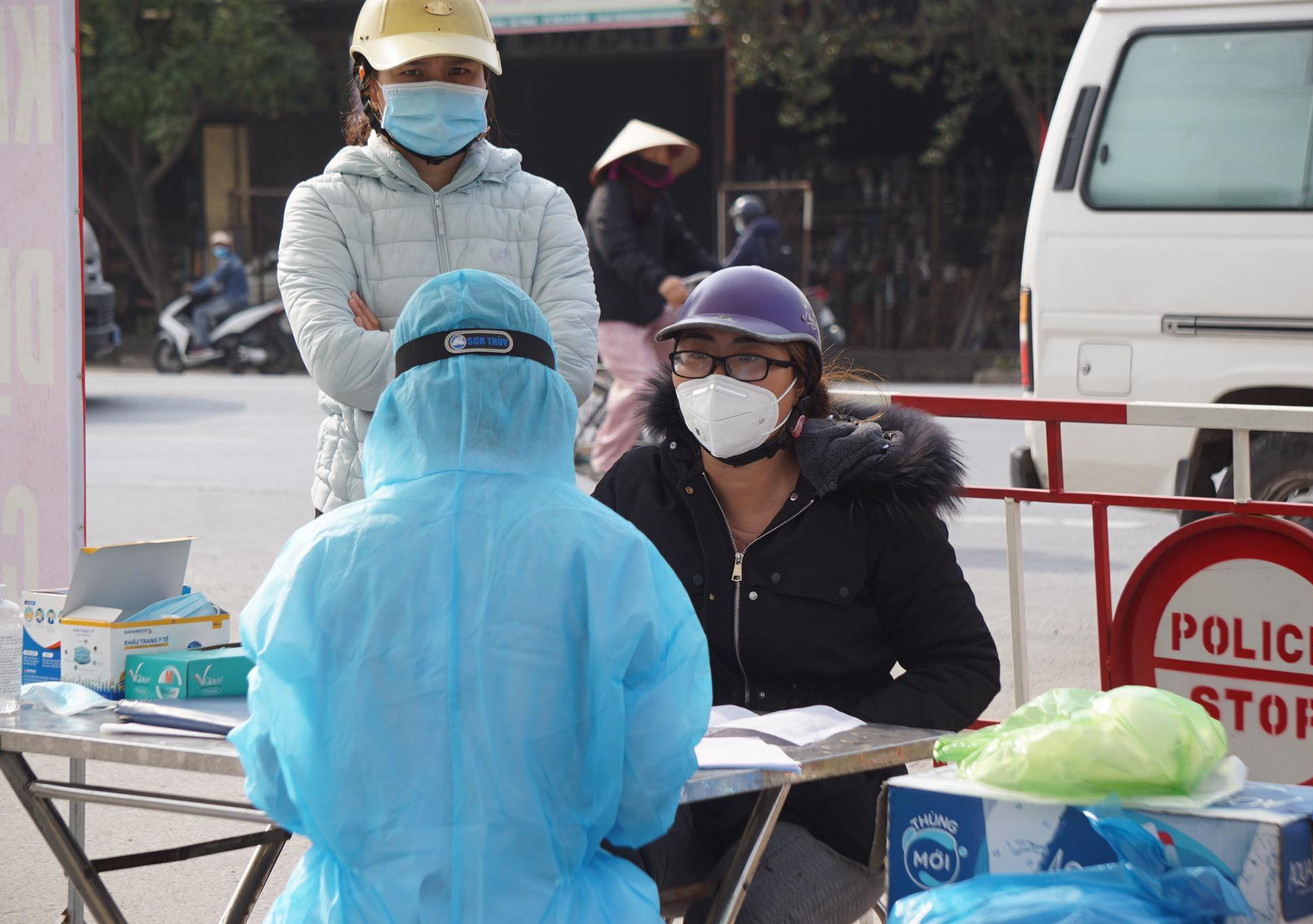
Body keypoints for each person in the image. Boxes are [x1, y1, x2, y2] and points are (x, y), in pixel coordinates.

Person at [230, 269, 712, 923]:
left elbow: (278, 780)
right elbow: (645, 797)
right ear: (545, 393)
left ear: (399, 397)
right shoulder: (614, 555)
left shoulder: (318, 559)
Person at [592, 265, 1001, 924]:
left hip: (826, 814)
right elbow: (576, 638)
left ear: (801, 381)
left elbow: (963, 664)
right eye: (695, 356)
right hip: (667, 795)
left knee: (749, 915)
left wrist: (838, 740)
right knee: (574, 881)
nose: (717, 380)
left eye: (748, 359)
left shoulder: (875, 506)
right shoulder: (638, 488)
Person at [278, 0, 599, 514]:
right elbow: (339, 364)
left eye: (458, 70)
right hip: (369, 507)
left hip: (517, 507)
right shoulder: (323, 204)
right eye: (412, 70)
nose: (439, 85)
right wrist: (509, 355)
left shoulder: (543, 206)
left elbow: (572, 373)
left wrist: (399, 344)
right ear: (369, 84)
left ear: (485, 83)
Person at [583, 119, 721, 476]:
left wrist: (724, 275)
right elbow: (618, 248)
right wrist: (659, 281)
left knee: (690, 364)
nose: (665, 158)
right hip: (614, 314)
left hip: (651, 310)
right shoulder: (610, 196)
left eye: (667, 153)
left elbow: (683, 245)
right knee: (642, 384)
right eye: (658, 152)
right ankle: (605, 466)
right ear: (636, 156)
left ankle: (684, 453)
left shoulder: (658, 201)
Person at [186, 230, 249, 356]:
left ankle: (205, 346)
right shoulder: (234, 261)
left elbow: (212, 280)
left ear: (228, 246)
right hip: (236, 299)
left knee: (200, 313)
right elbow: (226, 283)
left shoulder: (228, 263)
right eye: (216, 246)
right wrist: (216, 290)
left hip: (232, 300)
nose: (217, 249)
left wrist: (193, 288)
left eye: (220, 245)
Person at [723, 194, 798, 282]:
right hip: (778, 285)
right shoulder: (775, 233)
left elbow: (730, 267)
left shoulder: (750, 238)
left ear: (744, 218)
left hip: (755, 285)